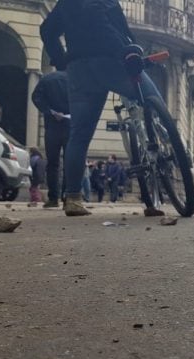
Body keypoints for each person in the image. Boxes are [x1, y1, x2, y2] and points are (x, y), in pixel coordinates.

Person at [41, 0, 163, 216]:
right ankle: (167, 142)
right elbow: (102, 25)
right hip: (112, 61)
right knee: (153, 99)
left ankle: (73, 198)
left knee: (79, 135)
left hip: (79, 69)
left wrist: (61, 60)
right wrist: (127, 51)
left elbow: (47, 30)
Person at [31, 69, 70, 208]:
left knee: (52, 164)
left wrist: (49, 111)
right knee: (69, 163)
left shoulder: (47, 79)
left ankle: (53, 198)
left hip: (52, 125)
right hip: (71, 125)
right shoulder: (74, 79)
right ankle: (68, 198)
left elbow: (35, 97)